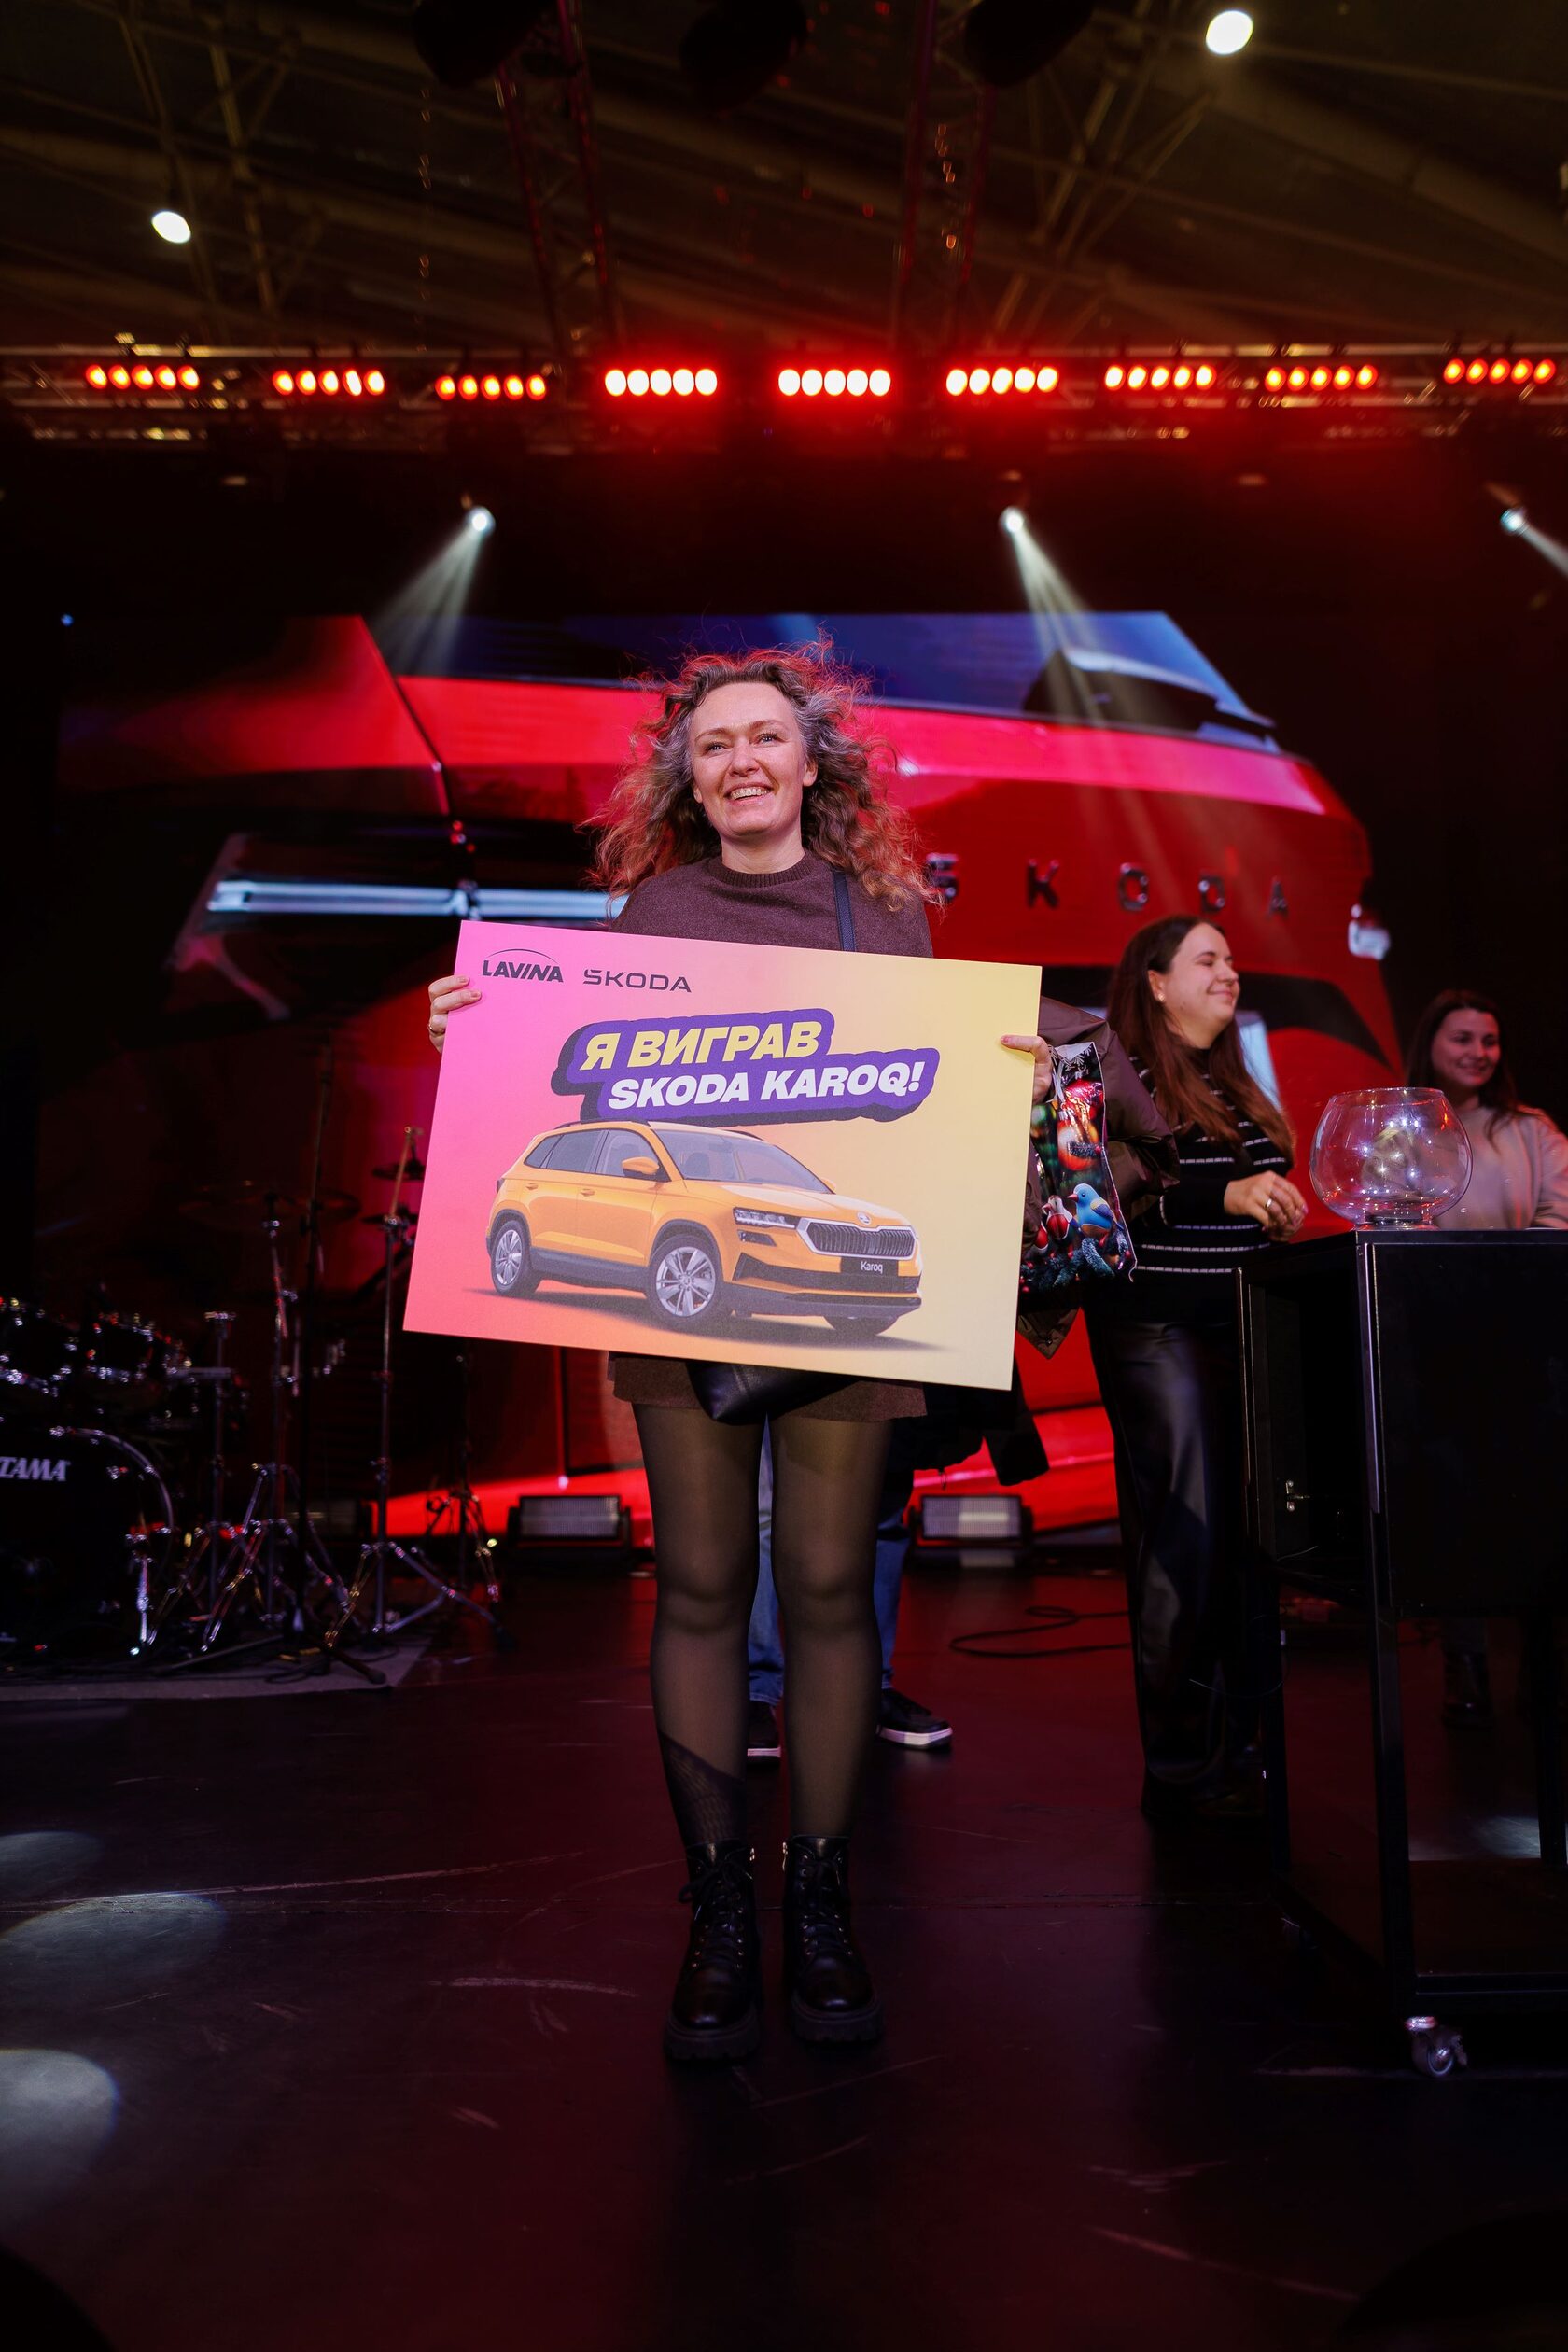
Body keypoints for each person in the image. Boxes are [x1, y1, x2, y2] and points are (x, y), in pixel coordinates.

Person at [427, 644, 1052, 2061]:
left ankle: (819, 1904)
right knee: (704, 1588)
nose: (741, 762)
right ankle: (718, 1910)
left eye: (764, 737)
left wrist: (1007, 1074)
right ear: (688, 779)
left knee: (828, 1588)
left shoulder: (883, 916)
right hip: (679, 1301)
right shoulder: (651, 913)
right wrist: (474, 1037)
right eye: (713, 746)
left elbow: (937, 1104)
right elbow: (560, 1073)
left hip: (836, 1298)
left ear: (812, 761)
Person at [746, 998, 1176, 1763]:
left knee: (881, 1495)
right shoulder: (784, 1004)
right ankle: (757, 1691)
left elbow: (1121, 1123)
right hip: (788, 1256)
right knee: (769, 1496)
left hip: (908, 1269)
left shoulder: (969, 1010)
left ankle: (865, 1686)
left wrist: (1048, 1094)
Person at [1087, 914, 1306, 1823]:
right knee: (1187, 1538)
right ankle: (1181, 1768)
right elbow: (1096, 1182)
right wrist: (1227, 1191)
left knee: (1251, 1545)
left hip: (1242, 1328)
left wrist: (1275, 1206)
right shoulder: (1119, 1073)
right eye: (1208, 959)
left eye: (1233, 960)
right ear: (1155, 980)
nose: (1231, 972)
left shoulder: (1231, 1080)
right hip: (1158, 1328)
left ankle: (1241, 1750)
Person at [1405, 988, 1568, 1725]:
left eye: (1490, 1040)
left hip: (1527, 1345)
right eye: (1463, 1038)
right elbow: (1396, 1218)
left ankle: (1543, 1663)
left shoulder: (1532, 1130)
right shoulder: (1405, 1127)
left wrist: (1498, 1279)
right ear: (1432, 1044)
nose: (1479, 1052)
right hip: (1441, 1344)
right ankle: (1463, 1665)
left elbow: (1558, 1217)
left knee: (1538, 1500)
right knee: (1454, 1502)